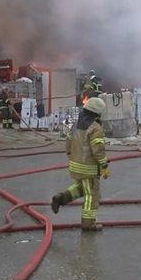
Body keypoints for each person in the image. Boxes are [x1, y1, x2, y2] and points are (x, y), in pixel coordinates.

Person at [50, 97, 110, 232]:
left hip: (75, 165)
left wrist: (71, 156)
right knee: (92, 195)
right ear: (98, 112)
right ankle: (88, 224)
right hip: (89, 168)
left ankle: (61, 198)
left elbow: (68, 142)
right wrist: (104, 165)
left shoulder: (76, 124)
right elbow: (98, 150)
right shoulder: (95, 128)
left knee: (82, 188)